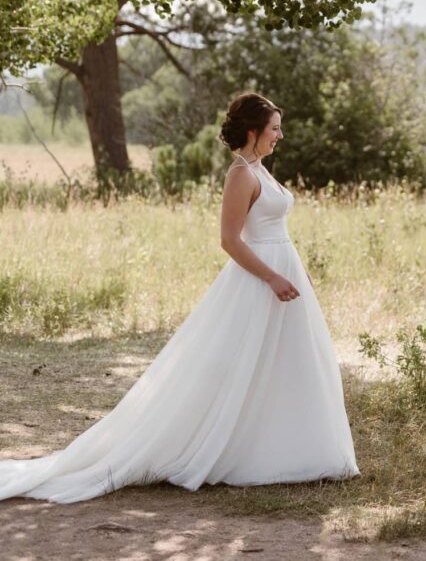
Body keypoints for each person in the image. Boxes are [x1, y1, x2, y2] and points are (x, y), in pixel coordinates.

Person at [0, 93, 358, 503]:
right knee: (239, 365)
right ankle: (240, 451)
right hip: (260, 281)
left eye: (279, 127)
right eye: (274, 128)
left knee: (294, 362)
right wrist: (273, 277)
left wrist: (299, 272)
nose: (280, 135)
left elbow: (279, 233)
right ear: (252, 131)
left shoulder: (261, 169)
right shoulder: (241, 174)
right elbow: (229, 241)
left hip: (285, 276)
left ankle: (302, 451)